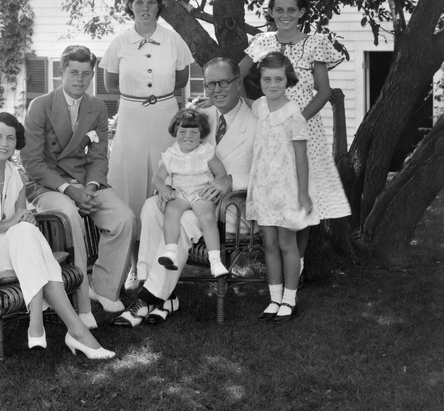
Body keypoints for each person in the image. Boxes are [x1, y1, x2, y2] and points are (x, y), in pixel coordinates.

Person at [0, 113, 115, 359]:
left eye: (10, 138)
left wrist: (25, 218)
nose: (4, 143)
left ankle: (48, 326)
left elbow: (20, 216)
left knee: (26, 229)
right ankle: (70, 329)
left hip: (13, 248)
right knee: (25, 234)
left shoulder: (15, 174)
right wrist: (13, 223)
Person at [113, 58, 257, 327]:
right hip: (189, 196)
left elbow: (271, 174)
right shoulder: (202, 118)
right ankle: (161, 290)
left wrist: (232, 180)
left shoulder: (258, 121)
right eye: (211, 84)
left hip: (230, 208)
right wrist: (166, 188)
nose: (217, 89)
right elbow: (179, 157)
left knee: (183, 221)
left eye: (224, 82)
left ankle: (147, 299)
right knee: (151, 206)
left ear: (238, 83)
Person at [21, 45, 136, 328]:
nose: (80, 79)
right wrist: (69, 190)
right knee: (70, 216)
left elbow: (98, 156)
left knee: (125, 219)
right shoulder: (40, 106)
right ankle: (82, 303)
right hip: (48, 185)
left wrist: (92, 188)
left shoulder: (96, 107)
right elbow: (32, 163)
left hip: (87, 183)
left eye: (86, 74)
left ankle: (104, 288)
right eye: (74, 72)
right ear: (62, 72)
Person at [239, 0, 350, 274]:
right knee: (276, 189)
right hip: (270, 131)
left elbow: (323, 91)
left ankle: (296, 265)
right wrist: (247, 102)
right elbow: (235, 74)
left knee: (302, 195)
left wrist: (296, 119)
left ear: (301, 12)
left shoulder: (315, 41)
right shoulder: (263, 41)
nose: (285, 15)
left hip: (305, 128)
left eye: (291, 10)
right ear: (271, 13)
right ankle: (278, 259)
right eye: (279, 10)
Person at [99, 0, 194, 220]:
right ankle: (130, 246)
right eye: (139, 2)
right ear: (130, 5)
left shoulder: (173, 39)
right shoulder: (119, 43)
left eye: (151, 3)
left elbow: (181, 80)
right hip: (132, 116)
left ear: (159, 6)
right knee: (129, 174)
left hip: (166, 114)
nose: (145, 8)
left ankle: (165, 243)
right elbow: (110, 84)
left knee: (168, 170)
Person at [248, 51, 318, 322]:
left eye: (279, 79)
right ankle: (274, 298)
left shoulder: (294, 115)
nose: (273, 85)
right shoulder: (259, 106)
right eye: (267, 79)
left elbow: (301, 155)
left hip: (287, 189)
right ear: (260, 81)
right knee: (269, 244)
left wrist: (302, 193)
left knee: (287, 243)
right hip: (264, 187)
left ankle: (290, 299)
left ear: (288, 81)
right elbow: (242, 102)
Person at [152, 108, 229, 278]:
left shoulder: (206, 152)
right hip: (179, 192)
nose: (188, 136)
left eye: (194, 132)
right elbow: (157, 179)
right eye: (183, 131)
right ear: (175, 132)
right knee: (171, 211)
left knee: (207, 217)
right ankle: (171, 251)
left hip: (200, 192)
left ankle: (215, 260)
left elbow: (221, 174)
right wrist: (164, 189)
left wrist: (215, 187)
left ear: (201, 135)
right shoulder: (171, 155)